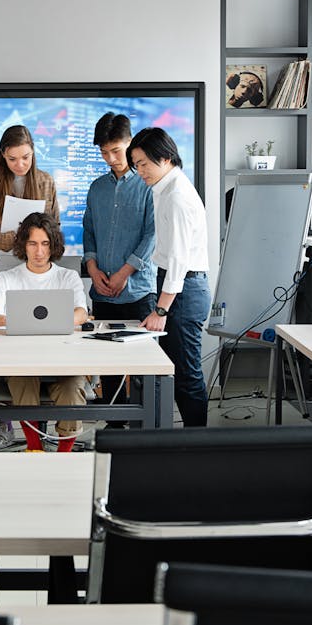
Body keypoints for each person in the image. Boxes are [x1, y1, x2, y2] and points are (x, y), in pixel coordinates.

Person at [0, 124, 59, 451]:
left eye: (25, 157)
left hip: (36, 270)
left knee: (40, 345)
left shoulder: (46, 182)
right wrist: (18, 237)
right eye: (12, 159)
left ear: (33, 152)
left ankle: (43, 427)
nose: (20, 164)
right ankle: (5, 425)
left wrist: (33, 241)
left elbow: (54, 229)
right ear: (2, 156)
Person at [0, 212, 88, 452]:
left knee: (71, 390)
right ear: (23, 246)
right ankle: (34, 447)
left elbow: (82, 313)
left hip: (64, 361)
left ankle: (63, 454)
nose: (39, 251)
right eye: (33, 243)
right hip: (22, 361)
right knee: (22, 381)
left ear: (53, 246)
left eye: (45, 244)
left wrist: (56, 322)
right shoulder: (7, 278)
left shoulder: (67, 277)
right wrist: (18, 320)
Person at [128, 127, 210, 427]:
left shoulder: (176, 196)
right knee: (167, 370)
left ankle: (197, 446)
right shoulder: (164, 189)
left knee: (187, 375)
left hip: (184, 288)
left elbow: (178, 260)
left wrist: (161, 309)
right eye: (136, 165)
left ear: (164, 157)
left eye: (143, 164)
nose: (140, 171)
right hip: (177, 286)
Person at [83, 111, 156, 425]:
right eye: (104, 152)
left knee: (143, 368)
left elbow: (153, 234)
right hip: (102, 292)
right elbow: (89, 231)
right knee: (109, 367)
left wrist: (125, 273)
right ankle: (114, 428)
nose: (110, 158)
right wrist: (92, 267)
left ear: (131, 143)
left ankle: (144, 433)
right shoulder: (97, 188)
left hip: (138, 292)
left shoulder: (148, 184)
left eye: (116, 151)